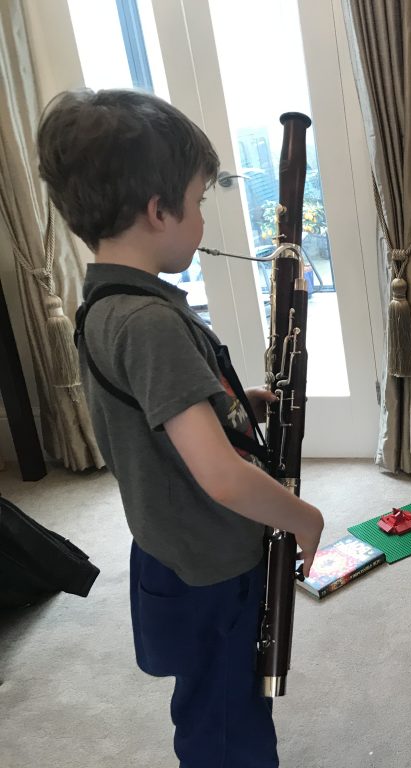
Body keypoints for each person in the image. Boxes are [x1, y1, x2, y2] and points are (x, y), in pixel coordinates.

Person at [37, 88, 324, 767]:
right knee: (227, 725)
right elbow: (223, 479)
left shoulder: (109, 302)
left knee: (210, 702)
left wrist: (232, 405)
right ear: (157, 211)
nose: (200, 219)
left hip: (171, 552)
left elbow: (157, 417)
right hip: (211, 563)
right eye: (197, 204)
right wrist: (304, 518)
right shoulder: (149, 324)